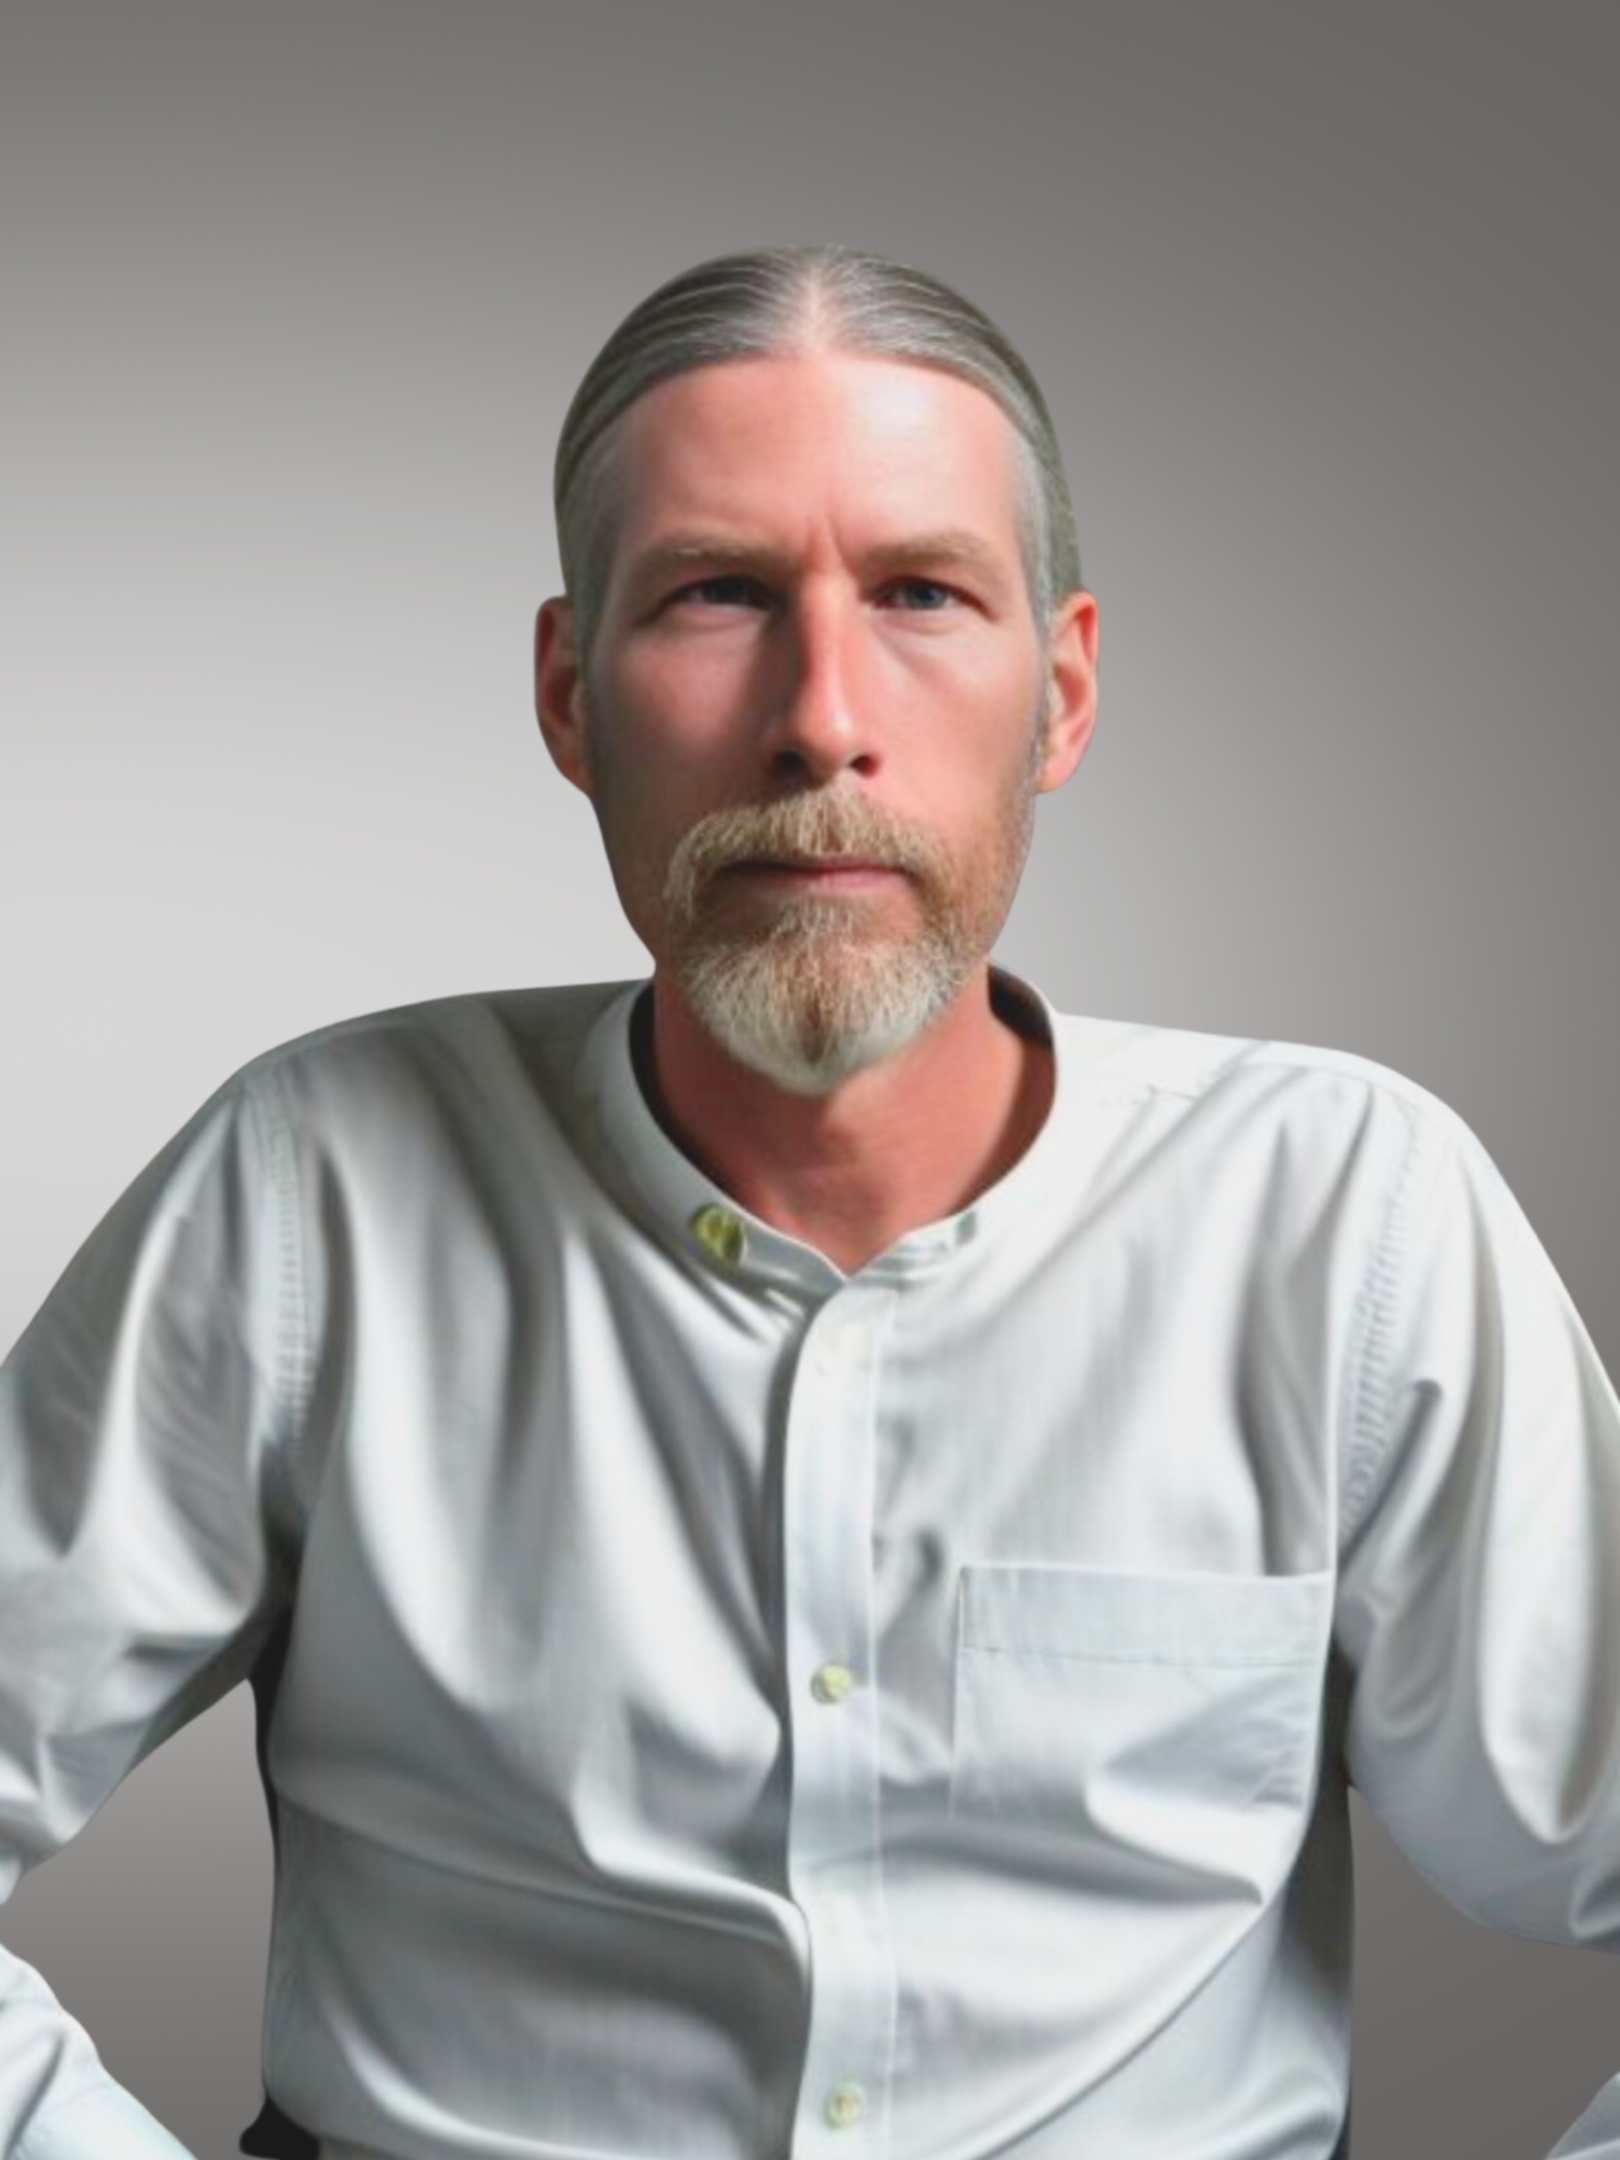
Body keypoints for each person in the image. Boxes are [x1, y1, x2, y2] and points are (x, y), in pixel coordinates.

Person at [2, 243, 1618, 2160]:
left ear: (1066, 693)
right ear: (569, 697)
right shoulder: (312, 1190)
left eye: (924, 593)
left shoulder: (1345, 1220)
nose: (822, 718)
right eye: (715, 596)